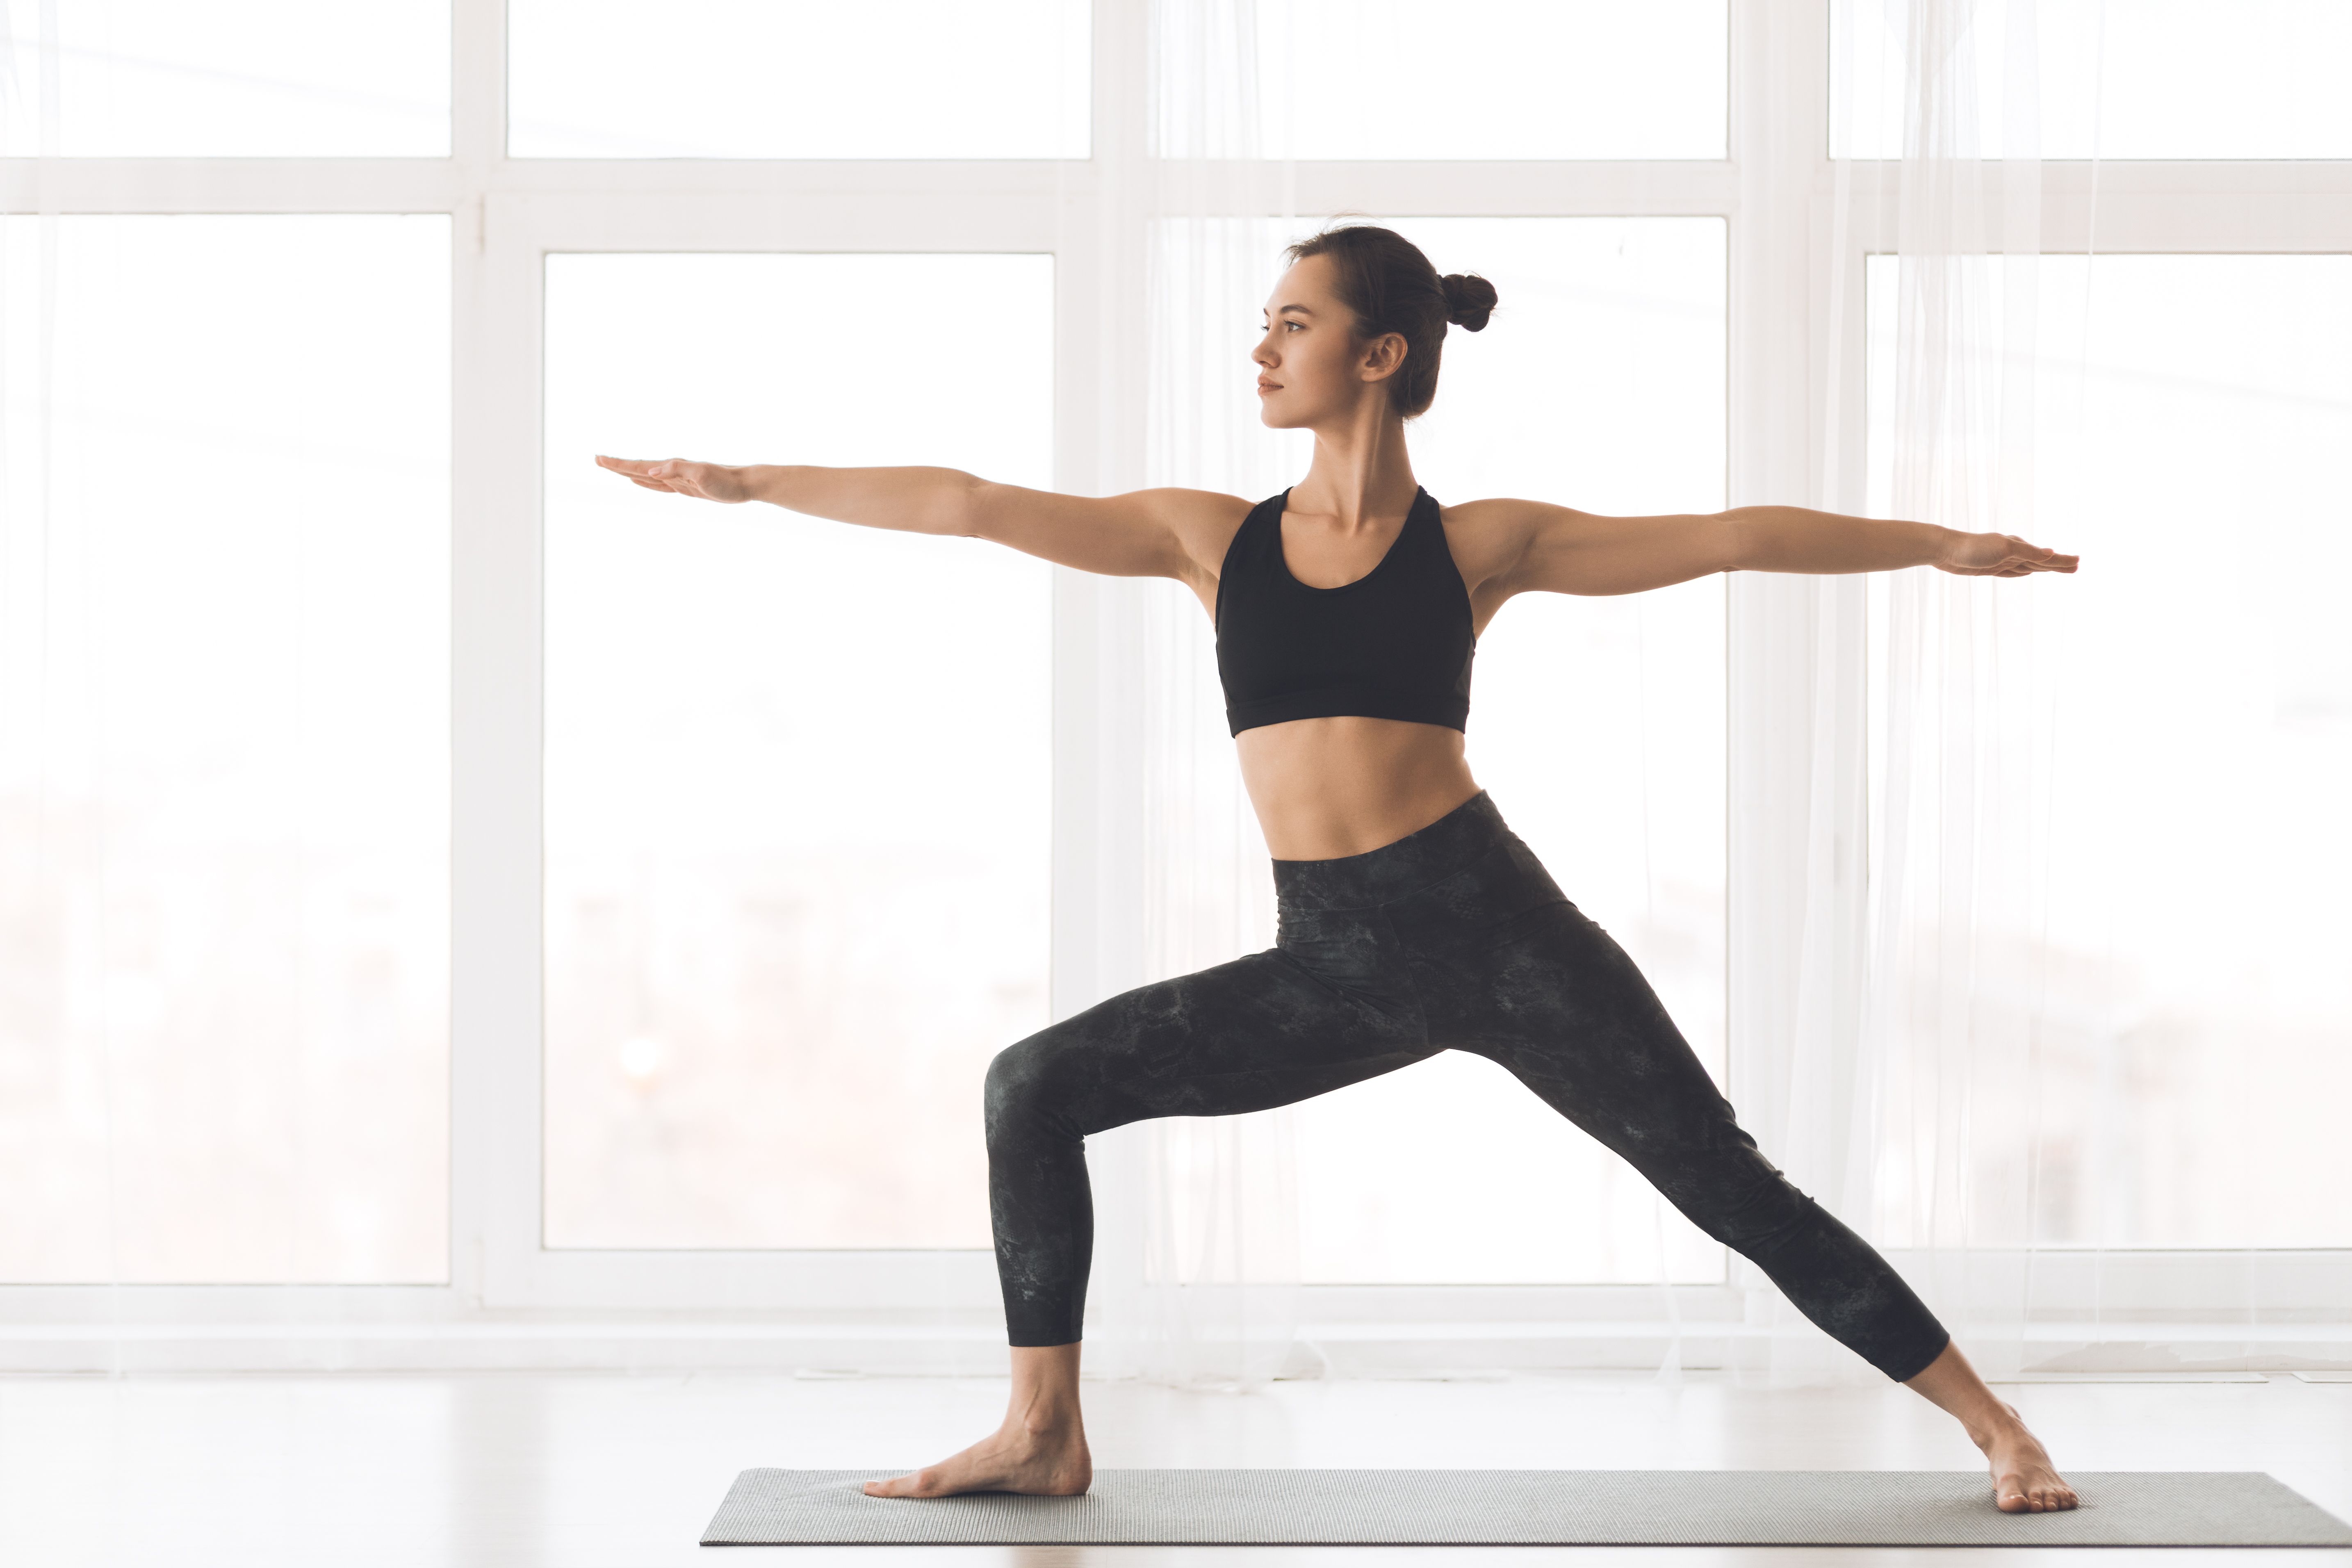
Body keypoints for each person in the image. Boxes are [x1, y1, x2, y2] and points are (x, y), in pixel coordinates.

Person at [595, 223, 2083, 1514]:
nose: (1262, 349)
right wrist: (757, 480)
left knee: (1724, 1183)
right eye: (1266, 324)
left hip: (1500, 930)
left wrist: (1939, 544)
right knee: (1031, 1086)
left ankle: (1998, 1426)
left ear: (1380, 356)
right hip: (1332, 958)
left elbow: (1730, 536)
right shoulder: (1207, 538)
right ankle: (1043, 1433)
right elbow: (976, 502)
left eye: (1291, 324)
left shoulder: (1483, 543)